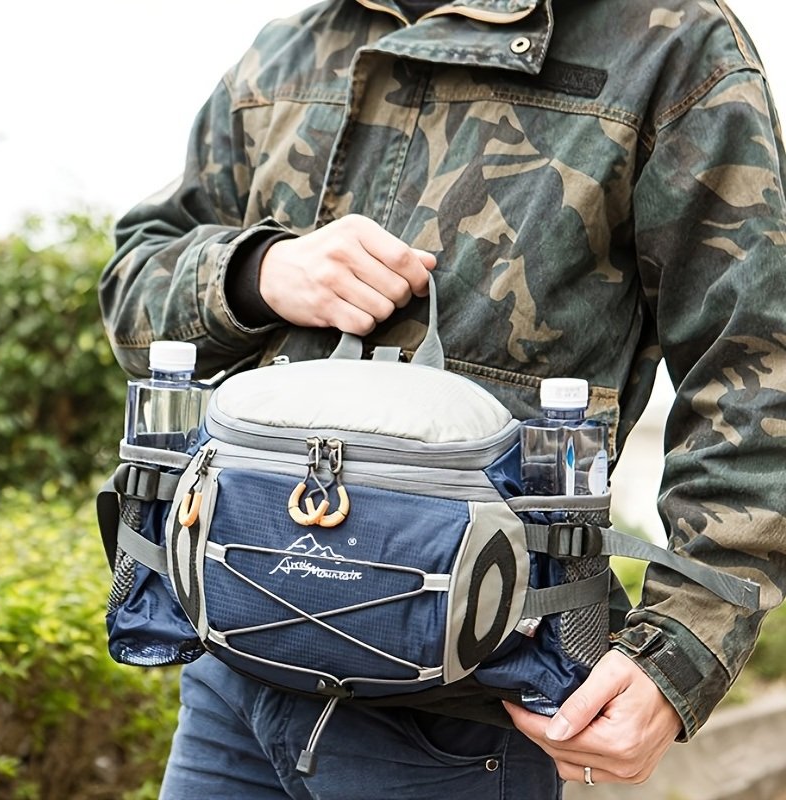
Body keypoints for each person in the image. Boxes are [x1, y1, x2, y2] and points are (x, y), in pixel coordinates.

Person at [99, 0, 786, 797]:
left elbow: (757, 372)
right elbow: (132, 290)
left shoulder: (668, 39)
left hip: (468, 717)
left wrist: (679, 654)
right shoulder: (293, 44)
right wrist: (258, 272)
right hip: (229, 678)